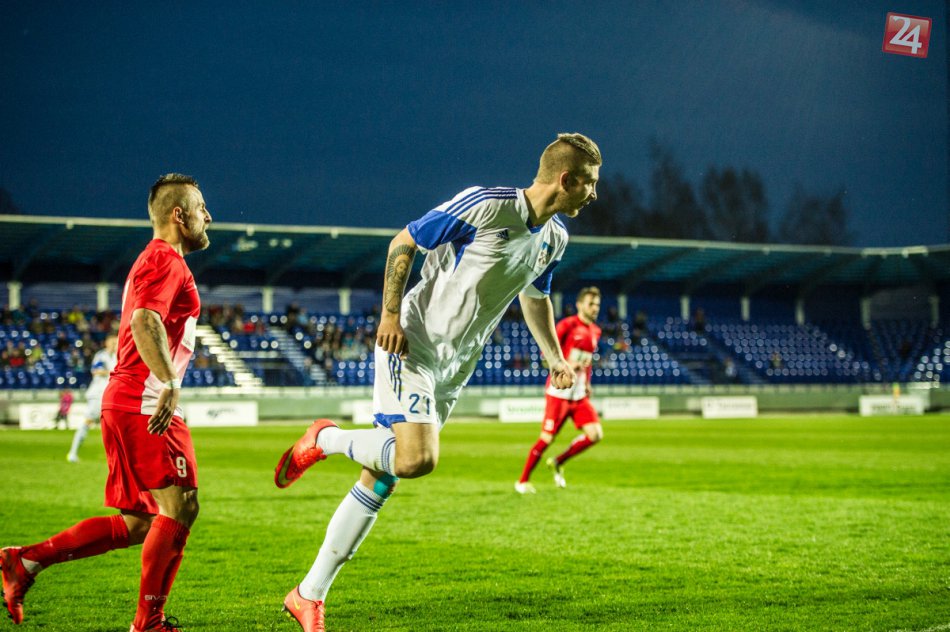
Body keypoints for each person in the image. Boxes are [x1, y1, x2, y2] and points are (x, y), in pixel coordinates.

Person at [274, 132, 601, 631]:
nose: (595, 194)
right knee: (415, 459)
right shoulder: (488, 205)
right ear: (566, 179)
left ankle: (307, 595)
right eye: (591, 183)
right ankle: (325, 438)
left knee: (381, 478)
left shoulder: (555, 237)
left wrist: (553, 356)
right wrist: (389, 317)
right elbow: (404, 241)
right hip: (413, 344)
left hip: (456, 367)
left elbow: (535, 296)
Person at [1, 173, 212, 630]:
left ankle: (25, 561)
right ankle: (148, 622)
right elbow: (144, 320)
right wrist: (169, 382)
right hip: (144, 399)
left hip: (127, 399)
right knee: (181, 506)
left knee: (141, 523)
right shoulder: (165, 260)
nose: (208, 217)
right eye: (201, 208)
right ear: (179, 215)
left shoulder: (158, 260)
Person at [515, 286, 604, 493]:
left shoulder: (596, 331)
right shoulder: (567, 325)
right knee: (546, 439)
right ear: (579, 305)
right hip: (558, 393)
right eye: (591, 304)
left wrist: (587, 383)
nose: (595, 308)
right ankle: (522, 481)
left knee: (595, 434)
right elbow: (545, 355)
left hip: (578, 394)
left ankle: (557, 462)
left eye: (597, 305)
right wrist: (567, 365)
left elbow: (587, 363)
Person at [67, 334, 118, 462]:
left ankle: (115, 456)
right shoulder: (101, 355)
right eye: (112, 342)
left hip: (112, 395)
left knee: (114, 425)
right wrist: (115, 373)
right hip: (98, 394)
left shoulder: (118, 356)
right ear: (106, 343)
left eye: (116, 342)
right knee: (88, 421)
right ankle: (73, 453)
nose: (115, 345)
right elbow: (96, 371)